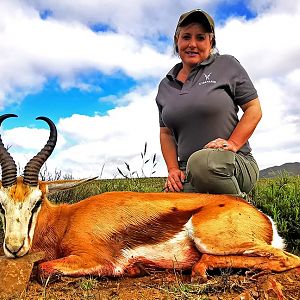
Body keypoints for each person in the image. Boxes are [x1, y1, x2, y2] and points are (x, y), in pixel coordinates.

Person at [155, 9, 262, 197]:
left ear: (210, 41)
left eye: (201, 37)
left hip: (234, 162)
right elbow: (165, 133)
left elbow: (254, 109)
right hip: (188, 170)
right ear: (176, 41)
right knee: (165, 210)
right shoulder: (165, 85)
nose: (192, 44)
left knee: (202, 164)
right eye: (186, 37)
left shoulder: (227, 65)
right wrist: (173, 169)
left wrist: (233, 143)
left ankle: (243, 214)